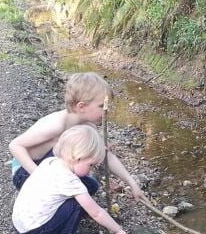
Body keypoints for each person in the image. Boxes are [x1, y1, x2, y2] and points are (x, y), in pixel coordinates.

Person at [9, 72, 147, 203]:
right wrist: (40, 176)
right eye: (102, 106)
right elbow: (15, 145)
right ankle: (30, 198)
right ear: (82, 106)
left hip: (52, 167)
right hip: (27, 172)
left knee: (91, 187)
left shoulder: (88, 128)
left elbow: (106, 156)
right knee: (70, 196)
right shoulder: (56, 125)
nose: (106, 111)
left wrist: (132, 183)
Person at [12, 125, 129, 234]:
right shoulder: (69, 181)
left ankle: (73, 217)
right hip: (36, 233)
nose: (91, 169)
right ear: (78, 157)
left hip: (21, 225)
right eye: (90, 165)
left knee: (90, 184)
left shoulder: (50, 161)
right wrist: (117, 229)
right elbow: (97, 213)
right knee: (77, 202)